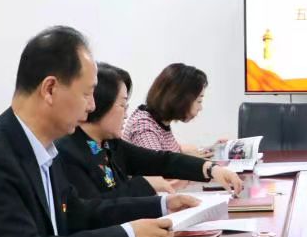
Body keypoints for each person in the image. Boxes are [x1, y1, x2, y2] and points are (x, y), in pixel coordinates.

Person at [0, 26, 200, 237]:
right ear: (50, 89)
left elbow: (78, 213)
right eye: (87, 93)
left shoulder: (41, 145)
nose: (92, 106)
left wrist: (161, 205)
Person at [59, 63, 244, 199]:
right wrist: (145, 185)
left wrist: (211, 169)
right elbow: (97, 208)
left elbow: (162, 160)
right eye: (122, 105)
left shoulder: (110, 144)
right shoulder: (70, 152)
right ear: (100, 104)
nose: (126, 114)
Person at [122, 62, 214, 155]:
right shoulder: (144, 127)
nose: (200, 108)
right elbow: (158, 163)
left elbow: (169, 153)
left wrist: (212, 148)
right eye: (199, 101)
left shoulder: (158, 122)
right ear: (179, 98)